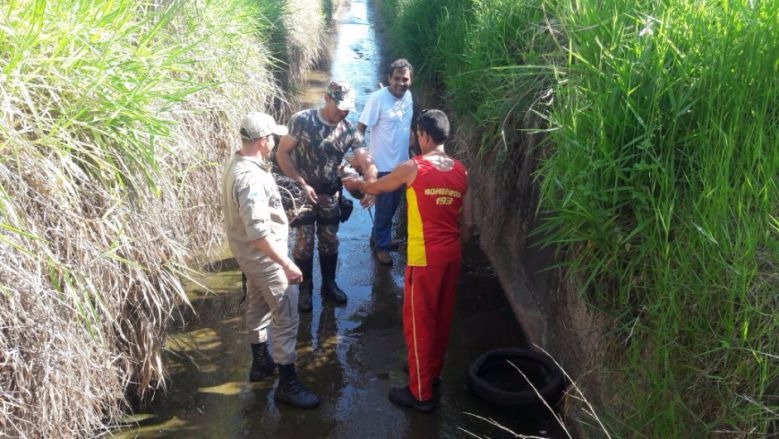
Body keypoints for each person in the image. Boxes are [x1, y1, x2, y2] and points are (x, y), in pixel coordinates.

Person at [343, 109, 474, 412]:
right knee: (441, 319)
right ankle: (432, 374)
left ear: (424, 136)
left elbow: (376, 187)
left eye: (417, 134)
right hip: (451, 255)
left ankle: (420, 394)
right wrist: (456, 249)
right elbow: (468, 225)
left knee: (418, 324)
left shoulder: (413, 167)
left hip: (424, 257)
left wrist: (357, 184)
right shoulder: (461, 170)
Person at [221, 112, 319, 408]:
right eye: (273, 138)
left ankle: (261, 363)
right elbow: (259, 234)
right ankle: (287, 384)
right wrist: (287, 264)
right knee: (287, 314)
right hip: (265, 257)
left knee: (256, 304)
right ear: (263, 141)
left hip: (251, 257)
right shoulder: (250, 178)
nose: (275, 141)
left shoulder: (237, 163)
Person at [276, 80, 377, 313]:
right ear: (327, 98)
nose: (344, 111)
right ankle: (305, 288)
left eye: (348, 107)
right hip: (302, 193)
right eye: (340, 105)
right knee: (303, 242)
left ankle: (329, 284)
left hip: (330, 192)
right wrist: (300, 183)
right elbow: (283, 153)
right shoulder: (302, 120)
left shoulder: (349, 129)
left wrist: (371, 184)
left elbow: (365, 160)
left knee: (329, 240)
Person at [356, 58, 414, 265]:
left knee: (391, 208)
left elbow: (406, 127)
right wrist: (362, 155)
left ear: (410, 80)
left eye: (405, 79)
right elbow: (360, 128)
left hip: (402, 165)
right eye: (396, 78)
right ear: (389, 78)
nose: (401, 83)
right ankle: (381, 246)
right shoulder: (377, 99)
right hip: (382, 166)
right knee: (384, 208)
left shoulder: (408, 97)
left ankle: (379, 238)